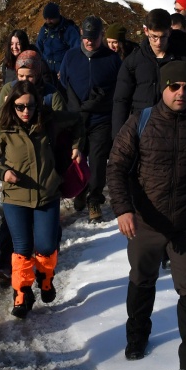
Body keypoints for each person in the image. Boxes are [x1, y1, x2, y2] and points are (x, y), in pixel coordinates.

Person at [108, 60, 186, 370]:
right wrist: (123, 209)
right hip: (146, 222)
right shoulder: (141, 122)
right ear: (162, 88)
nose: (181, 93)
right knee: (142, 281)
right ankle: (136, 339)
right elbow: (116, 166)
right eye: (174, 86)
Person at [0, 81, 80, 317]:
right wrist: (3, 172)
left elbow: (77, 121)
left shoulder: (48, 122)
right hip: (15, 199)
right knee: (22, 248)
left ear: (37, 105)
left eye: (30, 106)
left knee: (47, 245)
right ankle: (22, 293)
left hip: (47, 195)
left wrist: (77, 146)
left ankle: (45, 279)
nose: (26, 111)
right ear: (11, 106)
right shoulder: (3, 130)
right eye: (20, 107)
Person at [58, 15, 121, 222]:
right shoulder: (71, 56)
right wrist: (73, 108)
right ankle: (80, 190)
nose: (89, 41)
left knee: (97, 160)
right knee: (77, 158)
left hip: (101, 119)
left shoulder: (111, 59)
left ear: (101, 35)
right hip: (76, 119)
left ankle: (95, 199)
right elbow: (63, 85)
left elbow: (119, 90)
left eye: (93, 37)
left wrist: (102, 100)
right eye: (85, 37)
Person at [112, 9, 186, 136]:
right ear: (146, 31)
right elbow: (121, 100)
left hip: (177, 128)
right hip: (143, 128)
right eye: (154, 37)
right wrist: (118, 136)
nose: (158, 42)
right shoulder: (133, 61)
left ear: (169, 32)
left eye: (163, 36)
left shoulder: (185, 58)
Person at [34, 2, 80, 75]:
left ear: (57, 16)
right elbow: (38, 49)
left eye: (51, 18)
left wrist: (66, 69)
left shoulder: (69, 30)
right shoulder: (44, 30)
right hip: (46, 71)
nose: (48, 21)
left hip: (63, 71)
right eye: (46, 18)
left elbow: (76, 51)